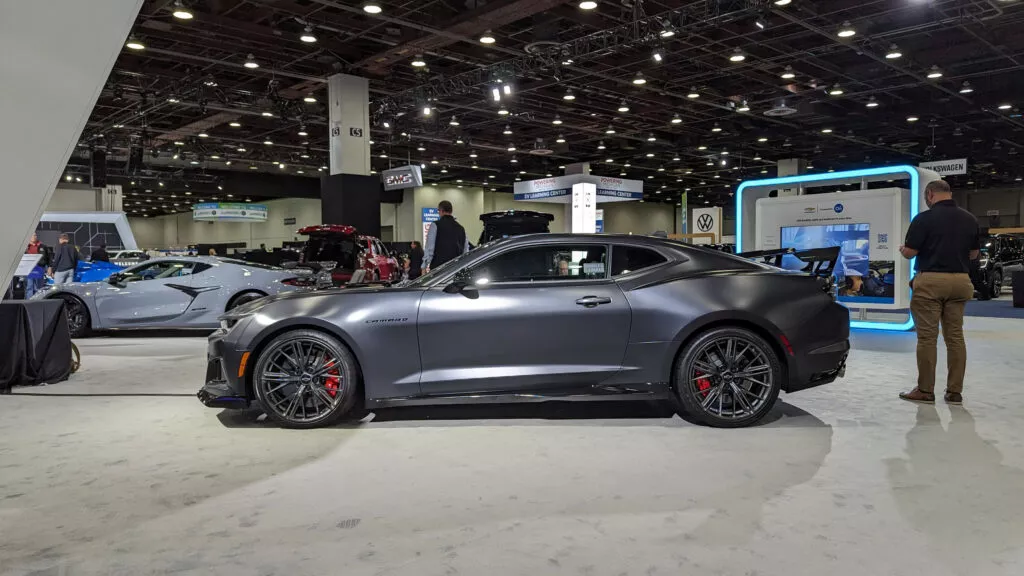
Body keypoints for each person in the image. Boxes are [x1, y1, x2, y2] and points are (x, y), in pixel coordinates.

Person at [898, 179, 979, 406]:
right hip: (961, 281)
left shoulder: (923, 219)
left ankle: (925, 390)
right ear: (949, 193)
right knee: (955, 337)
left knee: (927, 338)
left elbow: (910, 252)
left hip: (931, 282)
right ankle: (954, 392)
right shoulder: (970, 219)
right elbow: (974, 254)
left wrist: (903, 249)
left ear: (930, 194)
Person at [422, 200, 469, 273]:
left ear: (441, 210)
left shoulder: (435, 225)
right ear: (451, 211)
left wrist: (424, 266)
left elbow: (430, 248)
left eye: (438, 211)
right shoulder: (461, 228)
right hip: (456, 269)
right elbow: (465, 250)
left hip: (439, 269)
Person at [23, 233, 45, 299]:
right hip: (28, 269)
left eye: (35, 235)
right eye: (32, 235)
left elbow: (45, 256)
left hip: (38, 268)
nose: (34, 237)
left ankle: (37, 300)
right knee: (29, 286)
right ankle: (29, 301)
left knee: (37, 287)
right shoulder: (25, 246)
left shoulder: (41, 245)